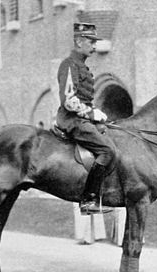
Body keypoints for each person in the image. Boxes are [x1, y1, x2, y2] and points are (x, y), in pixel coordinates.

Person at [56, 22, 116, 214]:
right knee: (107, 151)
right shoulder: (69, 65)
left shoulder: (81, 66)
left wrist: (96, 115)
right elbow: (68, 100)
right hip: (72, 119)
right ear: (79, 41)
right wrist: (91, 114)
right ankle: (89, 199)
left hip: (83, 118)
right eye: (91, 41)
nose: (94, 45)